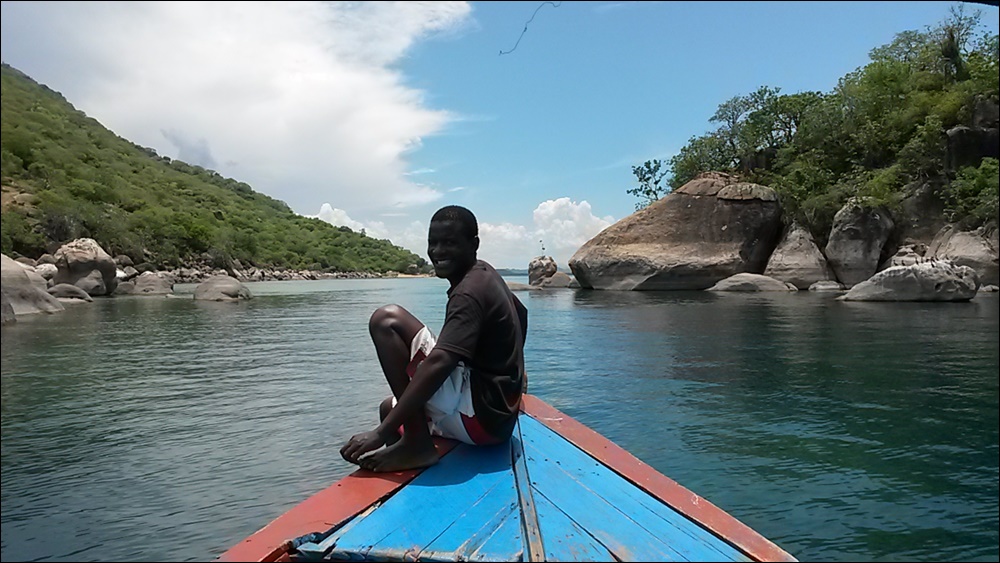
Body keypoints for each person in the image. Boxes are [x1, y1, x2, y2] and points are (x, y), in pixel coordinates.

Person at [340, 205, 528, 473]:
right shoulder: (485, 273)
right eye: (433, 243)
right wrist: (515, 379)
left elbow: (441, 362)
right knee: (389, 408)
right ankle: (411, 443)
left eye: (449, 243)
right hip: (500, 418)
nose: (438, 251)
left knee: (386, 320)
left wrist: (381, 433)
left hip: (481, 421)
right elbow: (521, 313)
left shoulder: (468, 293)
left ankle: (417, 445)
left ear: (473, 244)